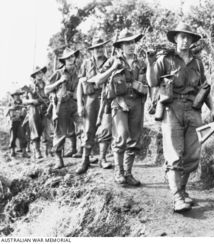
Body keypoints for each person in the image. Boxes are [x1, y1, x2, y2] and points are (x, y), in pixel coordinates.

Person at [146, 23, 214, 212]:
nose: (185, 40)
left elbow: (204, 87)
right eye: (181, 37)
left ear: (192, 41)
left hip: (194, 110)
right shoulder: (165, 59)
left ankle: (182, 190)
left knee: (193, 155)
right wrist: (151, 63)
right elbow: (152, 82)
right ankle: (177, 196)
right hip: (171, 108)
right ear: (175, 38)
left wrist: (213, 109)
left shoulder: (197, 62)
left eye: (188, 37)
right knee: (175, 155)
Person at [87, 29, 148, 186]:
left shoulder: (141, 62)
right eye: (127, 43)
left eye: (132, 42)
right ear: (121, 46)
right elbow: (97, 81)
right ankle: (118, 172)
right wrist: (113, 68)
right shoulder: (113, 60)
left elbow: (150, 83)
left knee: (134, 138)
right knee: (121, 135)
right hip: (118, 102)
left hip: (137, 102)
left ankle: (128, 173)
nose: (131, 46)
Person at [76, 37, 113, 174]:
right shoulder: (86, 64)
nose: (98, 50)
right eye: (96, 48)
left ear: (104, 48)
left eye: (100, 47)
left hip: (106, 98)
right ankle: (85, 160)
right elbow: (80, 85)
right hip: (90, 99)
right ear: (92, 50)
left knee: (105, 128)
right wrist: (80, 104)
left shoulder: (110, 62)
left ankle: (102, 158)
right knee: (88, 129)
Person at [45, 48, 79, 169]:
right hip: (61, 104)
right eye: (68, 58)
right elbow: (47, 89)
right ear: (64, 61)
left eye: (72, 57)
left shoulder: (78, 71)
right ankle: (58, 158)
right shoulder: (59, 73)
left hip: (75, 103)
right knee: (59, 132)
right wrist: (59, 81)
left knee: (83, 126)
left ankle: (83, 154)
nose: (70, 59)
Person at [23, 66, 52, 159]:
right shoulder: (30, 87)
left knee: (47, 129)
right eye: (37, 73)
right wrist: (31, 101)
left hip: (46, 108)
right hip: (34, 109)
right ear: (34, 76)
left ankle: (49, 150)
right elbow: (24, 100)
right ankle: (37, 151)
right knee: (35, 130)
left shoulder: (47, 84)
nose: (40, 75)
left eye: (41, 73)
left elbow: (51, 94)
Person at [6, 90, 29, 158]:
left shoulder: (23, 102)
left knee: (22, 136)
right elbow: (6, 113)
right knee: (13, 137)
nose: (18, 97)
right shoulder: (10, 103)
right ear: (13, 96)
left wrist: (24, 110)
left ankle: (24, 152)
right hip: (13, 122)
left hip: (21, 121)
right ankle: (12, 151)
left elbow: (26, 110)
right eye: (16, 95)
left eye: (19, 95)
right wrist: (11, 108)